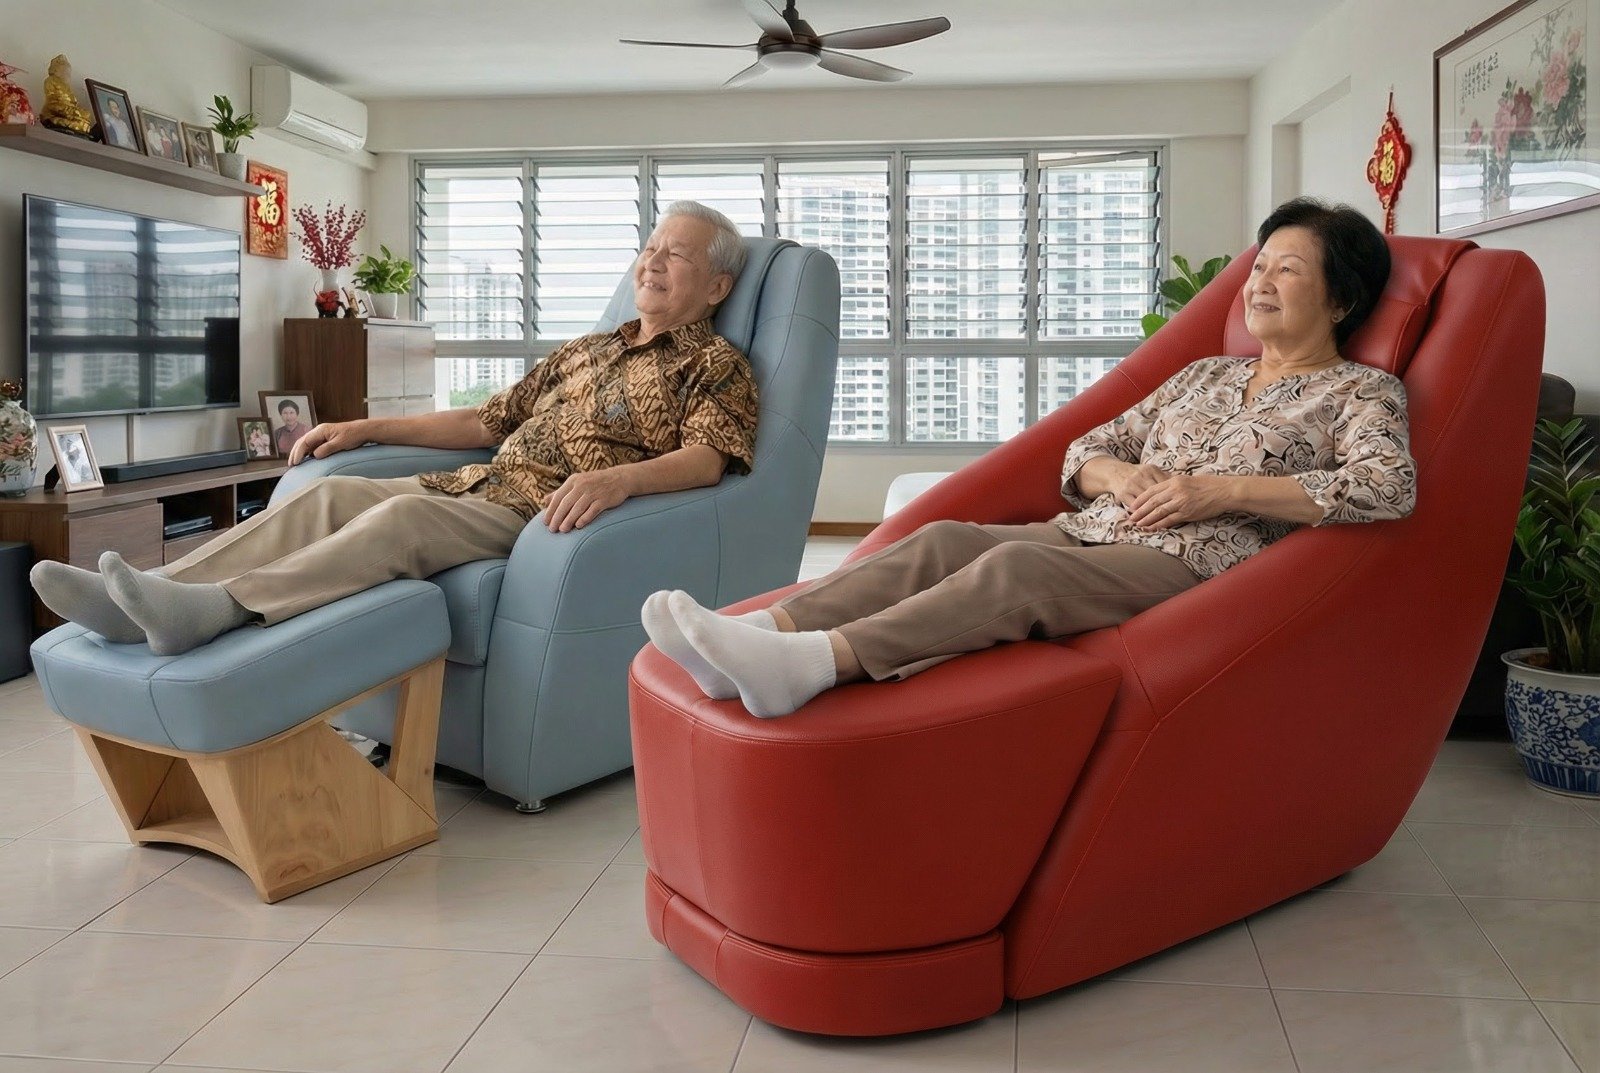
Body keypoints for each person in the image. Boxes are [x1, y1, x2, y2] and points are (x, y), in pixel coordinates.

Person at [644, 197, 1417, 718]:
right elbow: (1087, 452)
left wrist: (1214, 490)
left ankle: (818, 662)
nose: (1259, 282)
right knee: (947, 538)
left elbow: (1386, 485)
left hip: (1199, 563)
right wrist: (1126, 474)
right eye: (1259, 266)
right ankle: (767, 635)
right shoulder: (1207, 373)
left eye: (1288, 268)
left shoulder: (1360, 391)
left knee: (1014, 573)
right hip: (1100, 528)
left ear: (1341, 297)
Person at [31, 201, 759, 656]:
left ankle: (217, 609)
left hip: (540, 513)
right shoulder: (590, 346)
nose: (652, 260)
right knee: (327, 495)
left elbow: (708, 459)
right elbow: (486, 418)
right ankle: (148, 596)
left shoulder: (716, 365)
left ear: (717, 286)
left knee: (403, 518)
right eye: (651, 246)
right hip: (476, 483)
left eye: (676, 254)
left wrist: (614, 478)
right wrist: (364, 428)